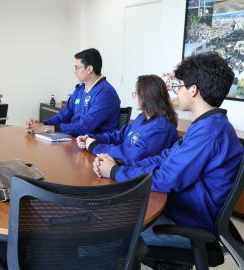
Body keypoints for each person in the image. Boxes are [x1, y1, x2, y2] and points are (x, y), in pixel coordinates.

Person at [93, 52, 243, 249]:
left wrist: (115, 172)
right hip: (179, 210)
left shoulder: (210, 132)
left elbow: (165, 177)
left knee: (107, 233)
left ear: (193, 90)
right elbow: (165, 157)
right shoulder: (207, 125)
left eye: (178, 86)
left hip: (187, 222)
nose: (176, 92)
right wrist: (122, 166)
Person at [76, 75, 179, 163]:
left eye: (136, 94)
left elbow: (133, 155)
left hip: (138, 179)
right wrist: (91, 138)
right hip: (122, 166)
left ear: (147, 97)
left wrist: (96, 147)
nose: (134, 97)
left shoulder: (161, 128)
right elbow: (119, 135)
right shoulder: (143, 116)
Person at [27, 48, 120, 136]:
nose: (75, 72)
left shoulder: (106, 94)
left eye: (77, 68)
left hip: (96, 146)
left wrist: (49, 129)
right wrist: (42, 124)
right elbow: (64, 115)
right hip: (75, 140)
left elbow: (85, 126)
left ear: (89, 69)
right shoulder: (80, 89)